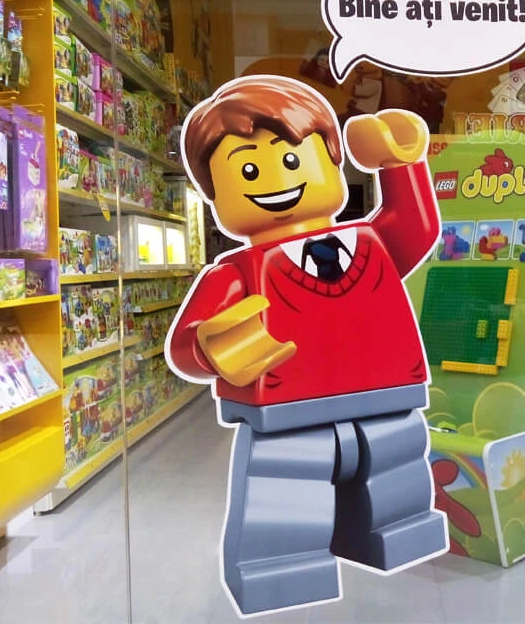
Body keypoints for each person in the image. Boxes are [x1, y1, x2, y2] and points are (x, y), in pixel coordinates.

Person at [166, 75, 447, 616]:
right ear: (215, 195)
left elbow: (416, 227)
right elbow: (185, 344)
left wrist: (399, 162)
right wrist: (207, 347)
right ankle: (281, 567)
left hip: (386, 397)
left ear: (332, 163)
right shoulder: (236, 273)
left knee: (395, 474)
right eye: (248, 170)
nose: (275, 180)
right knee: (285, 490)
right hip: (288, 415)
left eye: (292, 159)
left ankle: (398, 530)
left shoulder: (372, 242)